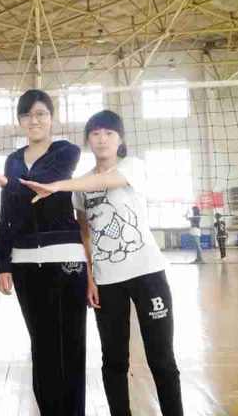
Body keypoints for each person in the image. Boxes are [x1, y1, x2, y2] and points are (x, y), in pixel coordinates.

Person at [22, 110, 183, 416]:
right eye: (95, 133)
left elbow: (106, 180)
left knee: (161, 359)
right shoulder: (81, 186)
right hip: (107, 281)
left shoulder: (132, 166)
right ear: (88, 140)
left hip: (148, 274)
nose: (102, 139)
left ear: (120, 139)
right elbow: (85, 234)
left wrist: (58, 185)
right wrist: (90, 279)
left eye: (109, 133)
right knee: (114, 360)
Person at [0, 89, 89, 416]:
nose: (34, 120)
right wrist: (3, 262)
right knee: (42, 346)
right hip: (26, 262)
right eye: (27, 115)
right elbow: (8, 211)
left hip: (66, 258)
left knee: (71, 345)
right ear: (20, 121)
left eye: (41, 113)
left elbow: (43, 184)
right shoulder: (13, 160)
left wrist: (5, 182)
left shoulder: (66, 151)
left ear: (52, 118)